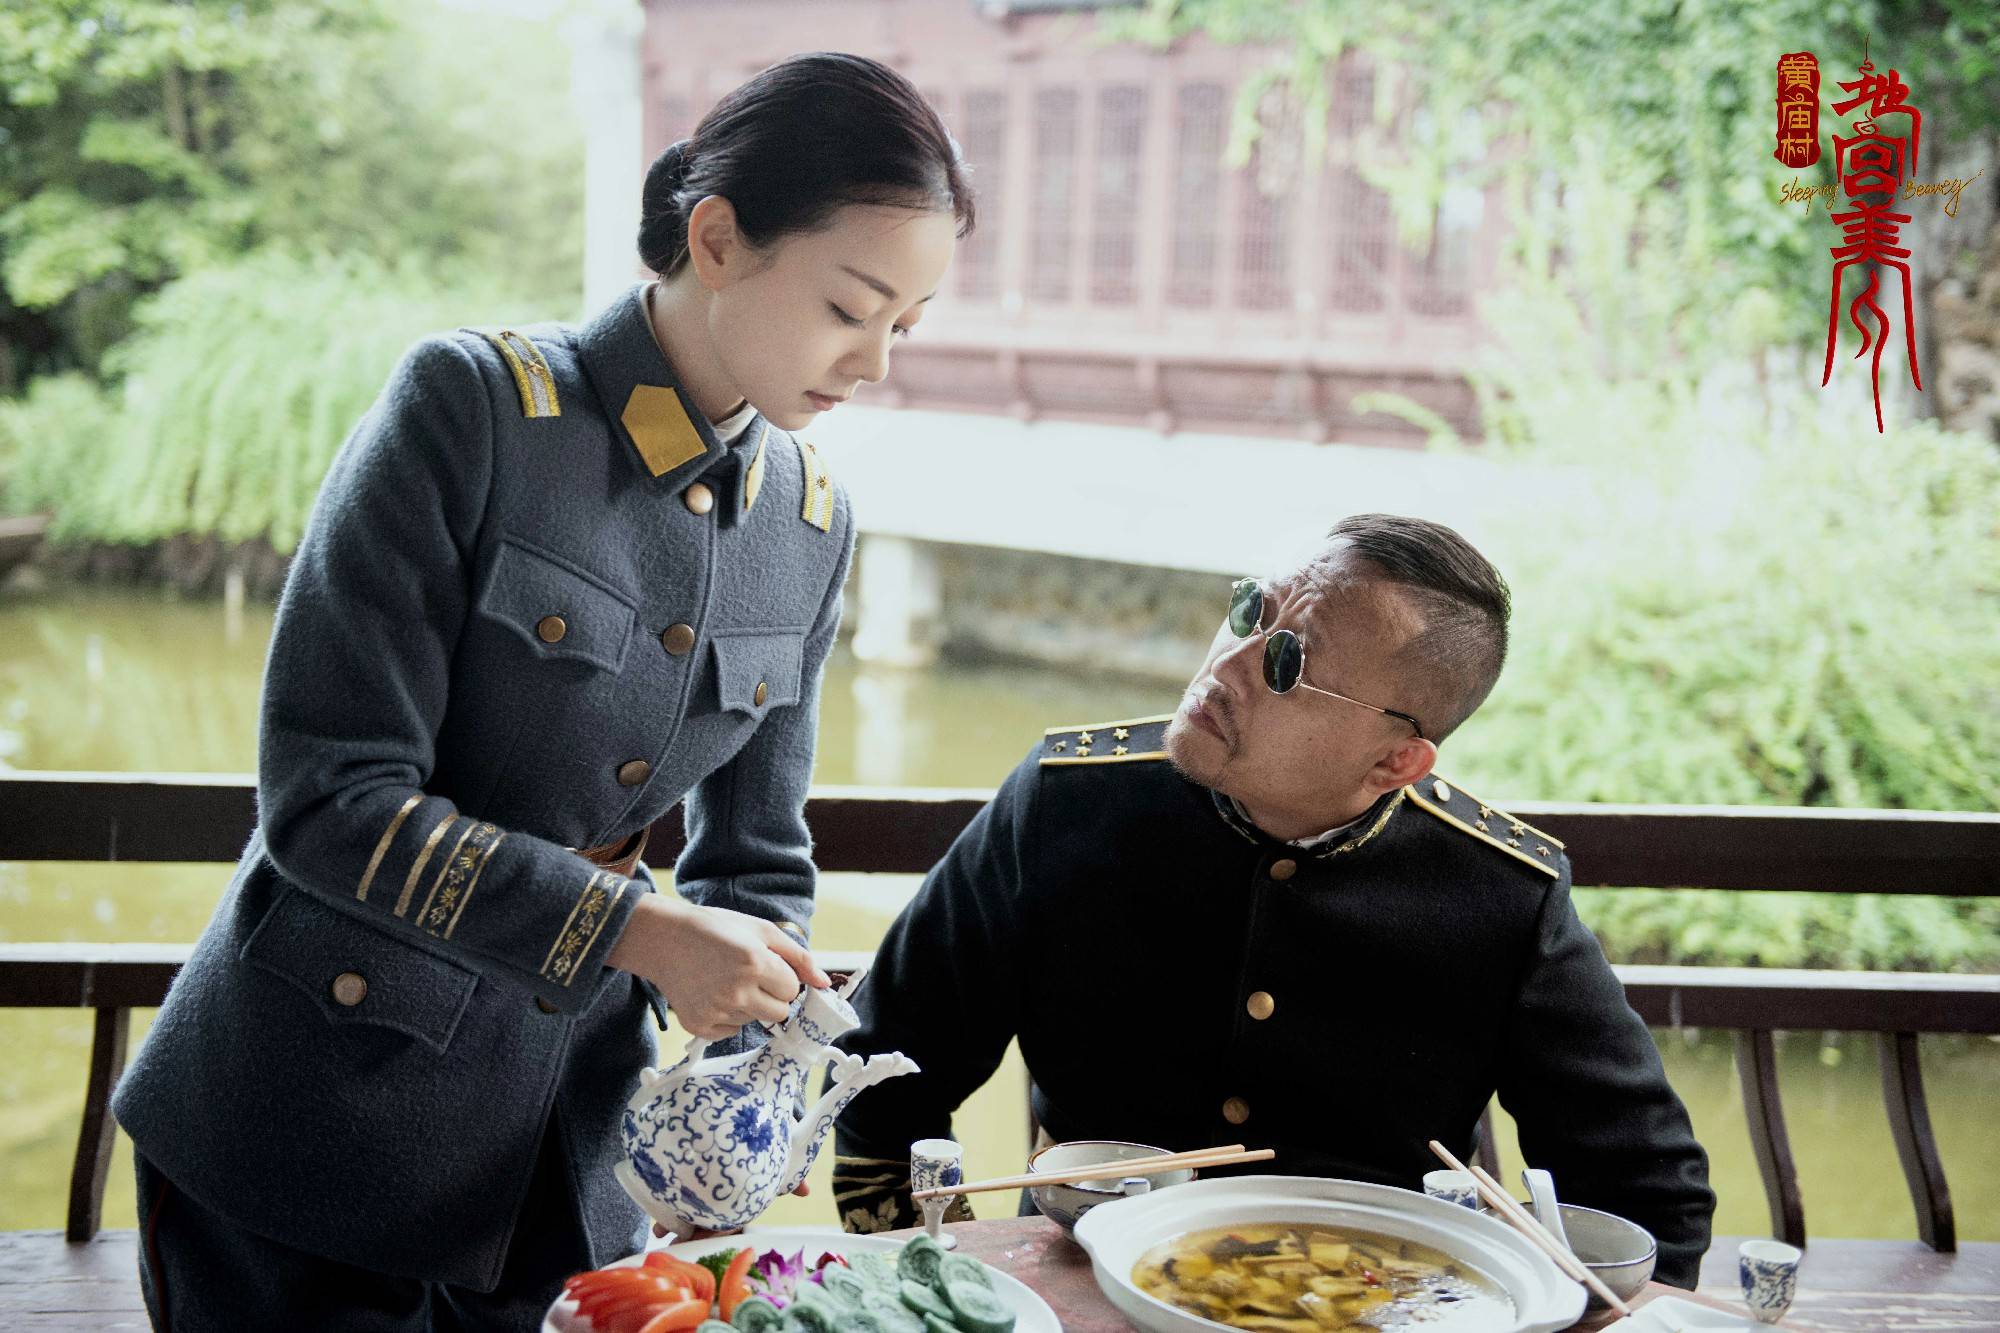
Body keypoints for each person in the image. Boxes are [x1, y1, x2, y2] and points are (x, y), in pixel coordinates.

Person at [111, 52, 970, 1331]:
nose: (876, 363)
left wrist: (738, 1087)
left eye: (905, 326)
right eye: (853, 308)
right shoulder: (474, 410)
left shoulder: (811, 520)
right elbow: (328, 801)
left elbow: (754, 861)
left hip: (564, 1164)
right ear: (718, 237)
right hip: (307, 1129)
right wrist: (632, 930)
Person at [831, 513, 1716, 1286]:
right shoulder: (1068, 802)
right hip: (1080, 1282)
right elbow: (881, 1073)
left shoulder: (1497, 894)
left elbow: (1649, 1201)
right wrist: (946, 1282)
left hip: (1357, 1308)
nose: (1230, 662)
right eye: (1252, 612)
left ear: (1394, 763)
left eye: (1287, 663)